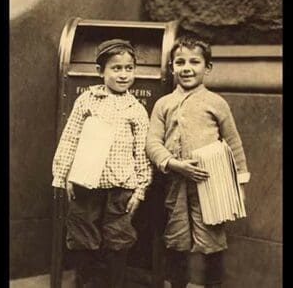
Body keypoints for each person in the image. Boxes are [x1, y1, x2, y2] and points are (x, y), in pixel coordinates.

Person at [146, 32, 251, 288]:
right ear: (172, 68)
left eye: (194, 62)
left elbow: (233, 143)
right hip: (174, 182)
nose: (187, 68)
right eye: (180, 62)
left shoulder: (216, 103)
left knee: (212, 239)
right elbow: (152, 143)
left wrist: (240, 183)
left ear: (208, 67)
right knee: (176, 237)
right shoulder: (163, 104)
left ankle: (213, 284)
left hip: (210, 183)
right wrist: (173, 163)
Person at [52, 39, 153, 288]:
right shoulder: (87, 100)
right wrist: (63, 175)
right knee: (82, 236)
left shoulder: (136, 109)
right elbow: (70, 138)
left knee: (118, 238)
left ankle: (115, 283)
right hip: (86, 183)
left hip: (122, 186)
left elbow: (141, 151)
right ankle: (86, 283)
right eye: (116, 68)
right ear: (101, 71)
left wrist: (140, 188)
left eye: (129, 68)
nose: (123, 74)